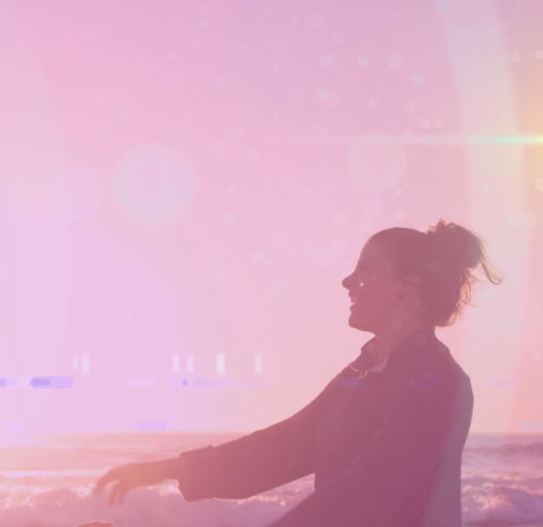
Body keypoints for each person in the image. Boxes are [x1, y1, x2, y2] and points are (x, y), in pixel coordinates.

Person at [95, 220, 502, 527]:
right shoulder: (363, 373)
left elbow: (360, 498)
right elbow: (286, 445)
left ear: (408, 285)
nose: (347, 281)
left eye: (366, 269)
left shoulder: (438, 384)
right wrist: (170, 469)